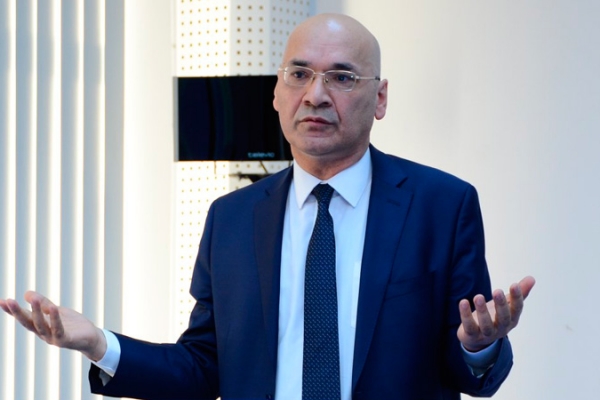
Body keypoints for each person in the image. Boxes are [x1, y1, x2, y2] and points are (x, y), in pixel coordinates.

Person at [0, 13, 535, 400]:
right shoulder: (231, 219)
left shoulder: (441, 206)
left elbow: (472, 370)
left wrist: (477, 347)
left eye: (342, 77)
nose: (316, 95)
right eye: (299, 74)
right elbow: (203, 368)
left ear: (380, 98)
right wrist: (99, 343)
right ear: (277, 94)